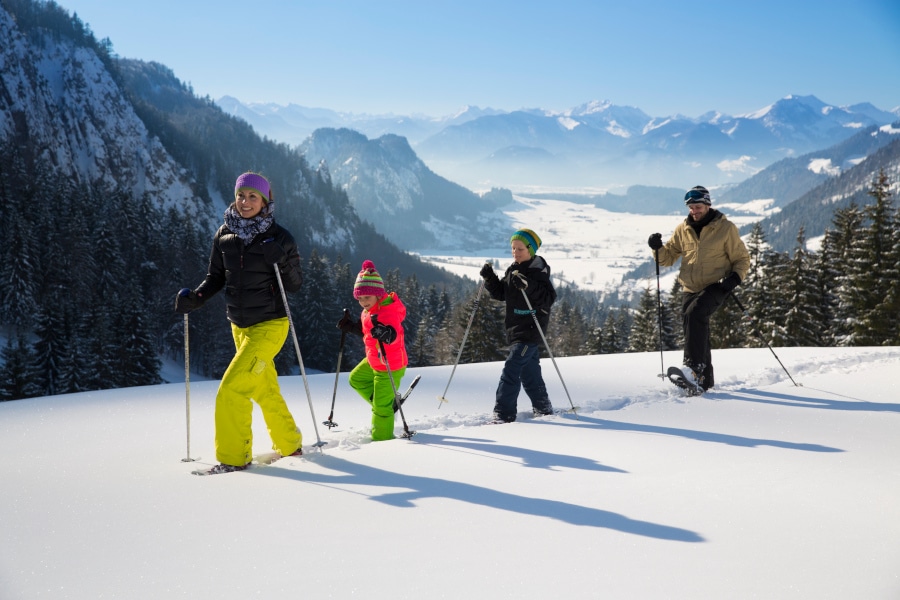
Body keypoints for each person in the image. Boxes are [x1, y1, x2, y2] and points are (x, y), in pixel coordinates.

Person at [175, 172, 304, 474]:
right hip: (240, 326)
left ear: (265, 201)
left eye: (252, 196)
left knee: (232, 390)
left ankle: (234, 458)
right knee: (263, 389)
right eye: (240, 196)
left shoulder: (280, 238)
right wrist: (197, 297)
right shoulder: (224, 234)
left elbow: (295, 284)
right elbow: (216, 277)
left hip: (270, 326)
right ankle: (290, 444)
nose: (245, 202)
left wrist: (281, 260)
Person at [648, 185, 750, 391]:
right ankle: (704, 382)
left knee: (695, 315)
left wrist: (735, 278)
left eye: (698, 207)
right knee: (693, 327)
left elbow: (742, 258)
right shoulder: (683, 229)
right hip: (690, 287)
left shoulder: (725, 228)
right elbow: (667, 259)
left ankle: (692, 369)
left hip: (717, 285)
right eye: (691, 207)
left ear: (707, 205)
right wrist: (657, 248)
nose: (694, 211)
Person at [479, 228, 556, 423]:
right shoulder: (513, 270)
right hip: (515, 329)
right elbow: (502, 294)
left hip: (531, 330)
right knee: (529, 374)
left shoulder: (539, 271)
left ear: (531, 249)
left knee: (512, 368)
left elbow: (548, 298)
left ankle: (503, 414)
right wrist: (490, 279)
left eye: (520, 249)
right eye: (513, 248)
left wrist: (528, 285)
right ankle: (543, 407)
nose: (515, 252)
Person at [337, 260, 408, 441]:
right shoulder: (368, 311)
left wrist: (387, 334)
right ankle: (387, 403)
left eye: (367, 297)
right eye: (360, 298)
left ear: (378, 294)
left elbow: (395, 335)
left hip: (390, 365)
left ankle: (382, 442)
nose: (363, 302)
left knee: (381, 409)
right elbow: (367, 331)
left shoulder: (387, 311)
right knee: (356, 379)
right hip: (374, 360)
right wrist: (351, 327)